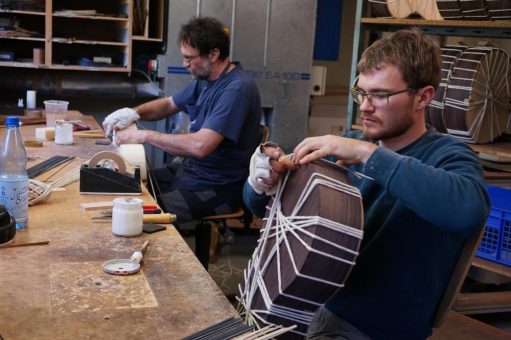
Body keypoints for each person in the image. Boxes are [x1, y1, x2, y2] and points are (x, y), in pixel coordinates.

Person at [243, 28, 490, 339]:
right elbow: (259, 205)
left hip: (370, 330)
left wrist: (366, 154)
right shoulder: (346, 144)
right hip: (309, 306)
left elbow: (469, 210)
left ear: (423, 97)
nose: (364, 106)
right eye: (361, 92)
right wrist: (262, 179)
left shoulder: (447, 156)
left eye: (380, 95)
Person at [103, 17, 262, 225]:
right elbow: (169, 104)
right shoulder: (206, 81)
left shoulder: (236, 89)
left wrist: (145, 135)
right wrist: (133, 113)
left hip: (217, 187)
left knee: (134, 213)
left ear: (213, 54)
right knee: (122, 185)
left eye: (189, 58)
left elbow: (200, 146)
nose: (184, 64)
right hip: (191, 172)